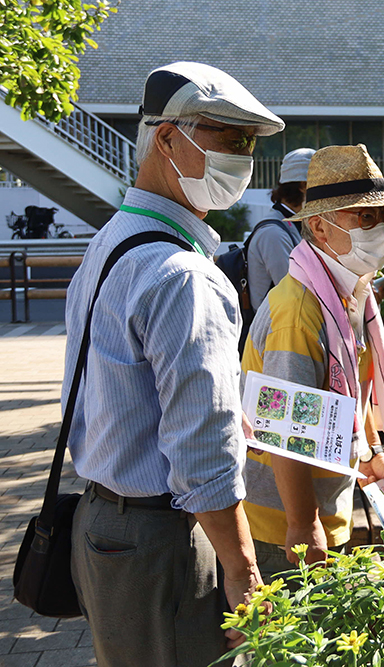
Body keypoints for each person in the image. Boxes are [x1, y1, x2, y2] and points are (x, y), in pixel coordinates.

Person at [64, 61, 284, 667]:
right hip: (163, 539)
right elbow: (202, 451)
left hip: (103, 521)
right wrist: (242, 572)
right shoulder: (185, 277)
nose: (242, 158)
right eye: (228, 138)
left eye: (249, 144)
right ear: (167, 138)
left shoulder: (112, 242)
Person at [241, 145, 384, 578]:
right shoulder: (300, 312)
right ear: (318, 227)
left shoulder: (348, 296)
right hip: (282, 525)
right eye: (365, 217)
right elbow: (284, 430)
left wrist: (370, 449)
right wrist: (303, 524)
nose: (382, 230)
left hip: (322, 509)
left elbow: (353, 385)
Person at [246, 147, 314, 311]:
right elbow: (296, 294)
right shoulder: (273, 234)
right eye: (322, 184)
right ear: (304, 186)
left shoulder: (294, 224)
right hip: (275, 333)